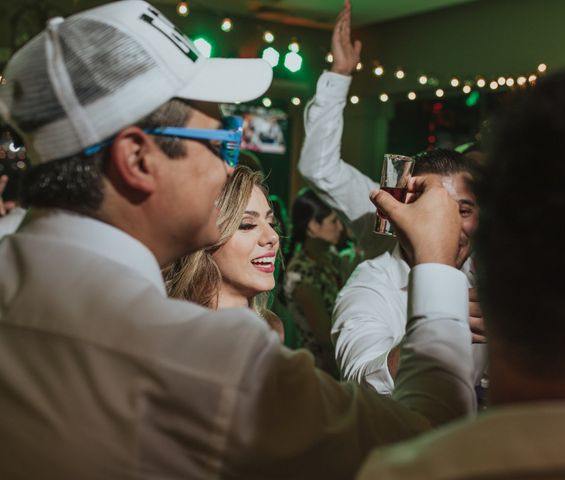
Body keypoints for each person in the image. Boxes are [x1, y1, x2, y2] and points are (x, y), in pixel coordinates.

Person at [0, 1, 476, 478]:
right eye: (217, 142)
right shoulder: (202, 361)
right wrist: (434, 264)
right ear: (138, 159)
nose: (228, 166)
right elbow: (432, 442)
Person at [358, 68, 565, 479]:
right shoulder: (371, 281)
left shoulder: (413, 471)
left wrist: (434, 271)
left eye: (466, 212)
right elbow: (367, 374)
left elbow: (426, 421)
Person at [299, 1, 486, 393]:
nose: (449, 222)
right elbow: (366, 382)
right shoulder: (373, 273)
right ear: (401, 207)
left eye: (464, 208)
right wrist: (338, 76)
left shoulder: (500, 272)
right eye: (434, 207)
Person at [332, 149, 488, 394]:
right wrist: (439, 322)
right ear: (406, 214)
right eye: (436, 212)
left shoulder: (486, 276)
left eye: (464, 211)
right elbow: (360, 381)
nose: (450, 226)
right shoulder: (370, 285)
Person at [164, 166, 284, 342]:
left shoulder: (271, 326)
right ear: (204, 239)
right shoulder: (174, 329)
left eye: (271, 223)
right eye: (247, 225)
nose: (272, 236)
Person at [284, 188, 346, 377]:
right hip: (319, 371)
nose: (340, 227)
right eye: (333, 221)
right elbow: (324, 336)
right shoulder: (300, 273)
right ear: (312, 227)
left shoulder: (329, 257)